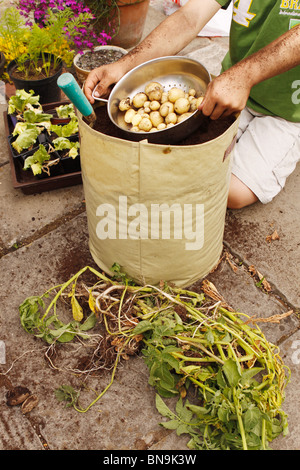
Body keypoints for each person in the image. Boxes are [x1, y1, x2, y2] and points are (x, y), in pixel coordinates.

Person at [84, 0, 300, 209]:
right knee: (180, 159)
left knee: (232, 193)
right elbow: (190, 17)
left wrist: (245, 75)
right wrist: (126, 65)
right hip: (231, 86)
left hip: (288, 111)